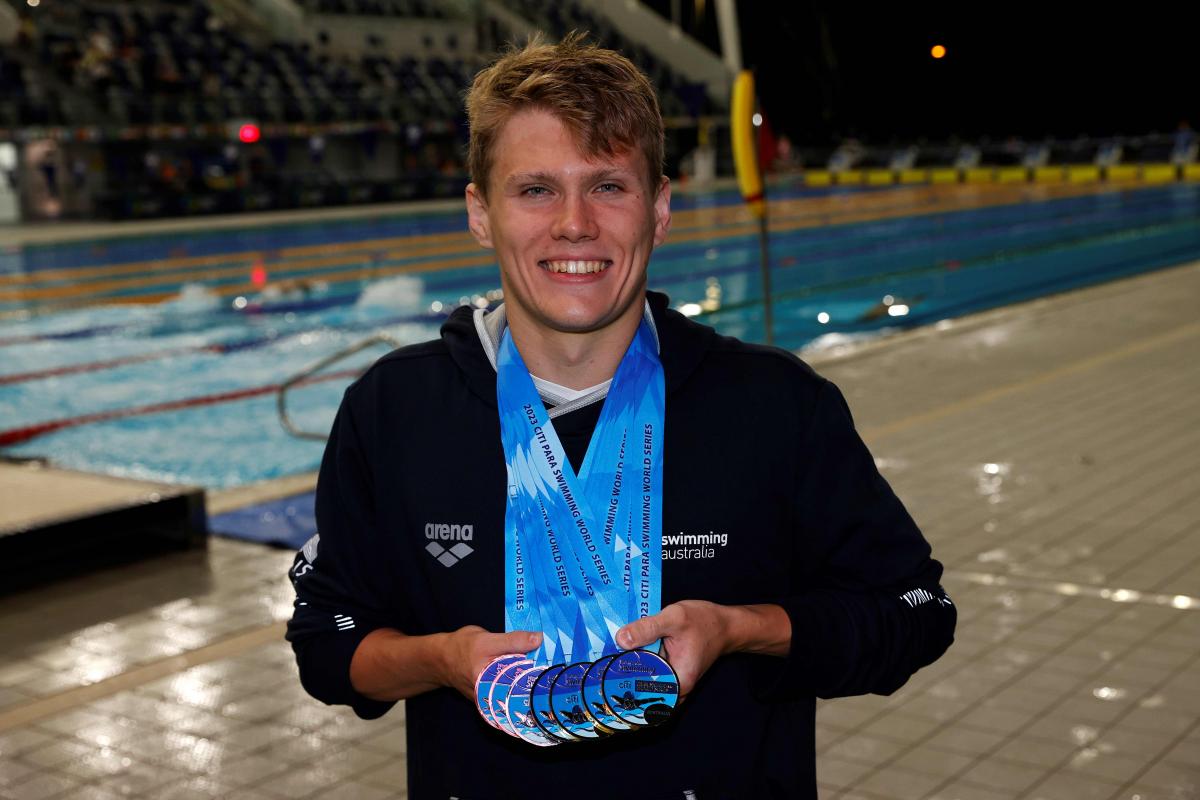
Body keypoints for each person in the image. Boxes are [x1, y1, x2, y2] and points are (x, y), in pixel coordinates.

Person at [286, 33, 955, 799]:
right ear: (480, 212)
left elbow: (917, 611)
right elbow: (326, 641)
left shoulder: (775, 406)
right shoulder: (394, 409)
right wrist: (443, 659)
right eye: (535, 188)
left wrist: (740, 630)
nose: (574, 223)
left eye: (608, 185)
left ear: (660, 208)